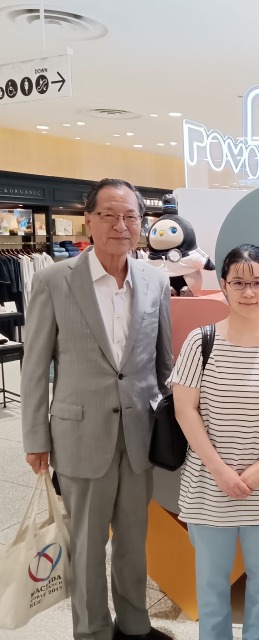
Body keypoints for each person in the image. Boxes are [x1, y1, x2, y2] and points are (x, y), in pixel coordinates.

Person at [21, 178, 174, 640]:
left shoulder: (155, 280)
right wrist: (36, 439)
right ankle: (91, 631)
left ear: (141, 223)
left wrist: (172, 423)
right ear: (89, 220)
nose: (120, 225)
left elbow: (163, 362)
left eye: (130, 216)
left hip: (139, 435)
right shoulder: (54, 280)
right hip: (80, 435)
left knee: (133, 540)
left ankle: (134, 624)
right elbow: (35, 366)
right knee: (87, 546)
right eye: (109, 215)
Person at [171, 244, 259, 640]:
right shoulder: (200, 341)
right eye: (238, 283)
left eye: (257, 283)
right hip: (208, 486)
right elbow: (185, 410)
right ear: (223, 285)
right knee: (211, 586)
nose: (248, 292)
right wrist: (220, 470)